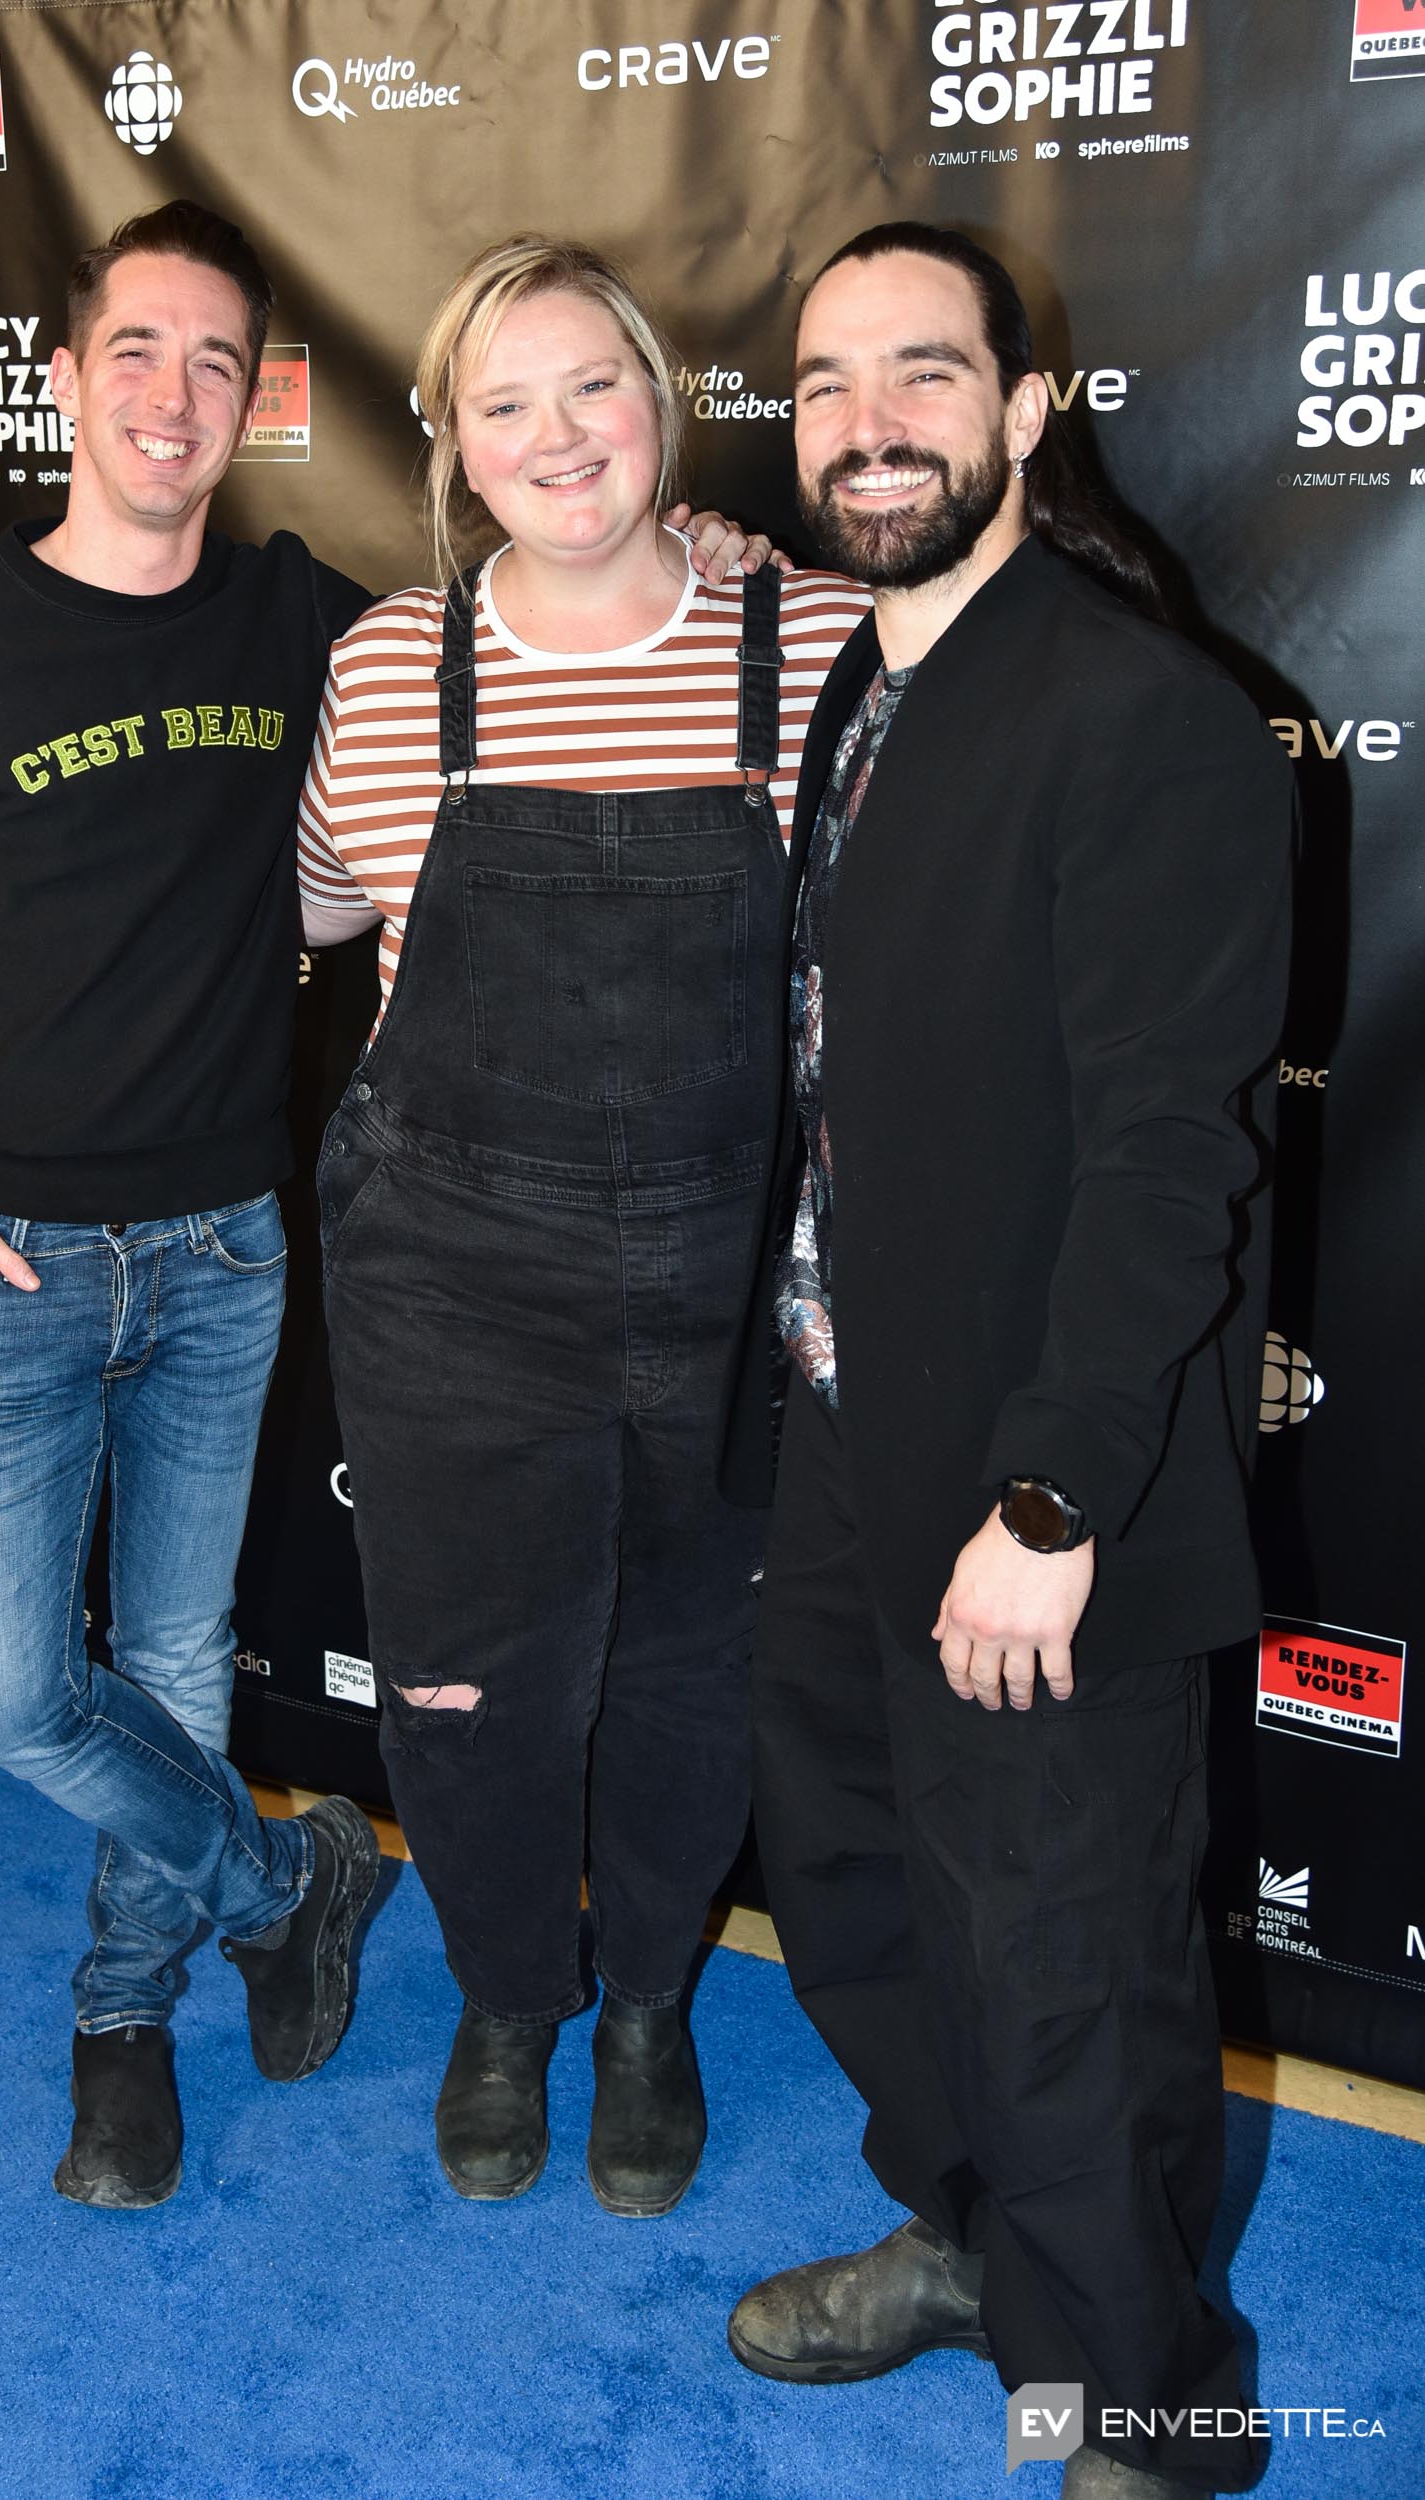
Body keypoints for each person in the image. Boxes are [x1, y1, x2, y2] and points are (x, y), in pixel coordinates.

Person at [0, 198, 765, 2213]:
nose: (170, 395)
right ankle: (279, 1867)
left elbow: (547, 628)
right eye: (134, 350)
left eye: (216, 362)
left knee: (172, 1663)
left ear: (259, 404)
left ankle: (123, 2013)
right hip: (9, 1267)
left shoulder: (315, 625)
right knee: (3, 1693)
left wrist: (722, 564)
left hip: (231, 1252)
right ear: (61, 375)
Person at [718, 223, 1291, 2497]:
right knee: (863, 1895)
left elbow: (1172, 1161)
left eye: (927, 373)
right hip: (850, 1436)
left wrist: (1051, 1496)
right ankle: (979, 2245)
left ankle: (1149, 2393)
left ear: (1025, 415)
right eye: (832, 379)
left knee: (1064, 1964)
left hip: (1038, 1492)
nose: (872, 419)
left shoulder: (1141, 718)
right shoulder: (873, 682)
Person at [297, 236, 869, 2216]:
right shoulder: (390, 663)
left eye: (595, 387)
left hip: (727, 1276)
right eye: (505, 401)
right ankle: (504, 1997)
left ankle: (643, 1998)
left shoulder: (809, 640)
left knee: (692, 1671)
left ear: (663, 404)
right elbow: (308, 907)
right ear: (449, 440)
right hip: (453, 1280)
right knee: (467, 1682)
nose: (559, 437)